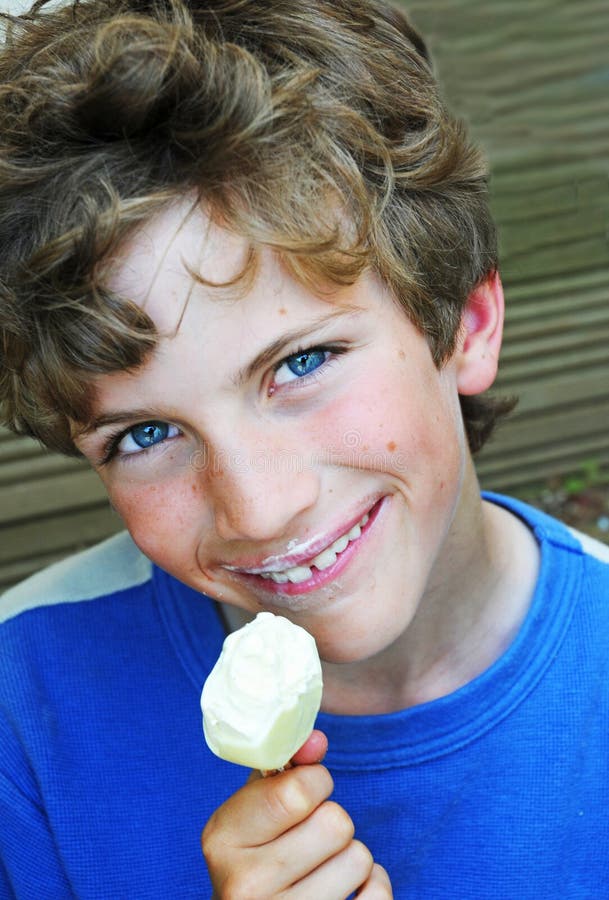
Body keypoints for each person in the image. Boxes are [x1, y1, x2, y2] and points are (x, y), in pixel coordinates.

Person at [1, 0, 608, 896]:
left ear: (465, 326)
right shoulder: (25, 711)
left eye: (301, 362)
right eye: (147, 433)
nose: (257, 507)